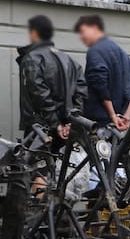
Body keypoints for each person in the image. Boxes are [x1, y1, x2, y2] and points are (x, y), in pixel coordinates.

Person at [16, 14, 87, 149]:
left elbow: (39, 93)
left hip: (40, 130)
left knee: (37, 167)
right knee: (62, 168)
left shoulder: (32, 58)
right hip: (65, 129)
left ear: (34, 32)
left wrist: (56, 124)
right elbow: (81, 93)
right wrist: (72, 122)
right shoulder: (69, 60)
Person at [75, 14, 130, 130]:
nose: (81, 37)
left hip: (98, 120)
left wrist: (112, 115)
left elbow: (100, 84)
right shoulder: (120, 51)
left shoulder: (95, 51)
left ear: (94, 28)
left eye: (83, 31)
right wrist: (126, 116)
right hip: (118, 122)